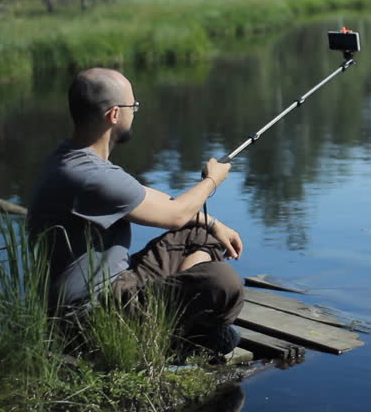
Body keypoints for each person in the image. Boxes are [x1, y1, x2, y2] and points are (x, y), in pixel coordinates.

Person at [27, 67, 244, 354]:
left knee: (200, 232)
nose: (135, 112)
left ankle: (178, 322)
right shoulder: (92, 176)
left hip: (116, 286)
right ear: (114, 114)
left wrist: (213, 223)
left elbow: (167, 205)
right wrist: (212, 180)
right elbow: (176, 215)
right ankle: (184, 336)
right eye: (134, 106)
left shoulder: (69, 160)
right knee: (223, 282)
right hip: (91, 317)